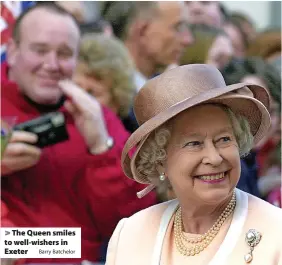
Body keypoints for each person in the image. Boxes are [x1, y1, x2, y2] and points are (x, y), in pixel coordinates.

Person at [1, 3, 156, 264]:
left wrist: (102, 148)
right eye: (39, 50)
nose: (51, 64)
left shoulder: (95, 115)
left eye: (64, 54)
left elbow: (137, 222)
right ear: (13, 51)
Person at [105, 64, 282, 265]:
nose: (214, 158)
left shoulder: (276, 233)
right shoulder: (131, 234)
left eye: (224, 139)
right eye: (194, 143)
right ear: (160, 159)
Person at [103, 1, 193, 91]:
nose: (188, 40)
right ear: (142, 31)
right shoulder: (105, 93)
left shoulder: (166, 89)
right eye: (177, 28)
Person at [73, 33, 137, 132]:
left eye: (91, 94)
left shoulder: (134, 143)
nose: (80, 100)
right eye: (76, 89)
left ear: (117, 102)